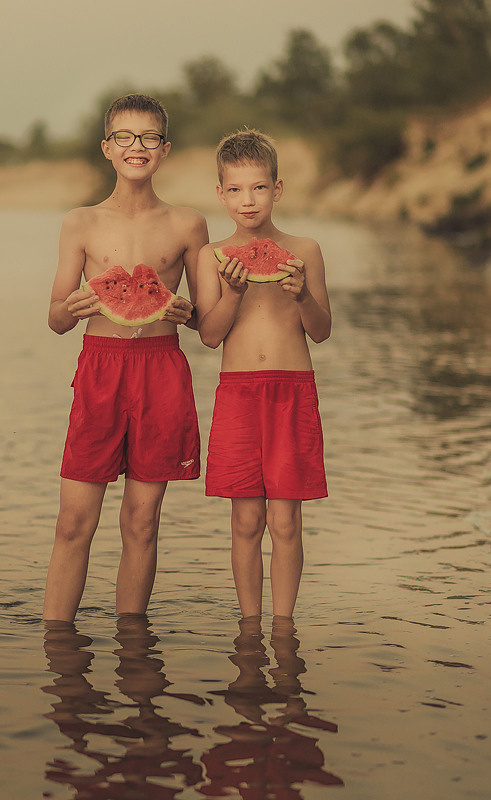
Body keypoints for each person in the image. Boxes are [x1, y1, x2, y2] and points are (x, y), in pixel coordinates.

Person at [42, 93, 209, 623]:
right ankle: (56, 644)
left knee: (142, 522)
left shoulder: (188, 225)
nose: (137, 147)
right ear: (107, 149)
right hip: (100, 367)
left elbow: (208, 321)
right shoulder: (81, 222)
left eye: (149, 138)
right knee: (74, 522)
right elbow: (55, 316)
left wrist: (189, 310)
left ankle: (133, 649)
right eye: (125, 138)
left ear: (164, 150)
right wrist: (75, 306)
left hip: (162, 368)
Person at [193, 128, 331, 619]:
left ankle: (284, 626)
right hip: (237, 394)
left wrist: (302, 296)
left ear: (277, 189)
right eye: (235, 189)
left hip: (293, 391)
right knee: (246, 522)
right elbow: (209, 336)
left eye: (257, 188)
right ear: (220, 193)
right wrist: (231, 295)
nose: (247, 200)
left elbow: (321, 331)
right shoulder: (210, 257)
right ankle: (250, 629)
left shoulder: (306, 250)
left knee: (287, 522)